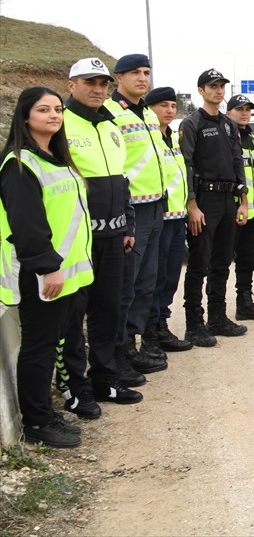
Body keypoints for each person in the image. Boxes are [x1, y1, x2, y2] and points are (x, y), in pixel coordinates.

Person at [1, 87, 95, 447]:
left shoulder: (57, 157)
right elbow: (27, 225)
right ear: (25, 117)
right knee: (39, 348)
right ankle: (38, 422)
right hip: (41, 274)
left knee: (52, 343)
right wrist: (46, 267)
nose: (54, 115)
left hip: (67, 274)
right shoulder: (20, 164)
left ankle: (46, 412)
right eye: (44, 110)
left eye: (57, 109)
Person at [58, 58, 142, 412]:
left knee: (108, 311)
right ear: (71, 85)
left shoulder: (110, 125)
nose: (97, 89)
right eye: (89, 82)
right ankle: (74, 387)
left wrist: (127, 224)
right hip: (77, 241)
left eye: (103, 83)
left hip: (113, 236)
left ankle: (104, 379)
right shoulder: (60, 123)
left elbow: (121, 180)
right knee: (73, 317)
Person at [105, 53, 169, 375]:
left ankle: (134, 344)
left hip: (156, 205)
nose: (143, 78)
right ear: (119, 78)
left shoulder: (147, 114)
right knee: (127, 285)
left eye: (146, 72)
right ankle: (119, 353)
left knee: (146, 283)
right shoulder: (110, 113)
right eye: (135, 73)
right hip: (133, 209)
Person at [179, 68, 249, 346]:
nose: (219, 91)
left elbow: (237, 161)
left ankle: (217, 318)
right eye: (213, 86)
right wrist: (192, 204)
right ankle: (194, 325)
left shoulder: (228, 124)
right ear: (201, 90)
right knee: (199, 264)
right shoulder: (192, 123)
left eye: (222, 86)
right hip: (204, 201)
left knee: (222, 262)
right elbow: (186, 164)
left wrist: (243, 200)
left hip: (228, 200)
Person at [145, 86, 192, 353]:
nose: (169, 110)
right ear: (149, 109)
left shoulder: (173, 138)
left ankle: (162, 324)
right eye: (163, 105)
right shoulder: (148, 139)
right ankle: (149, 334)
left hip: (177, 216)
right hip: (158, 217)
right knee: (155, 278)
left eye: (173, 106)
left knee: (171, 276)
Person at [226, 95, 254, 321]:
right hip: (231, 212)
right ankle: (216, 311)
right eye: (239, 109)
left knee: (247, 260)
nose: (244, 113)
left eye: (248, 109)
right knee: (221, 263)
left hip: (252, 214)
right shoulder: (225, 140)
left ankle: (244, 303)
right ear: (228, 113)